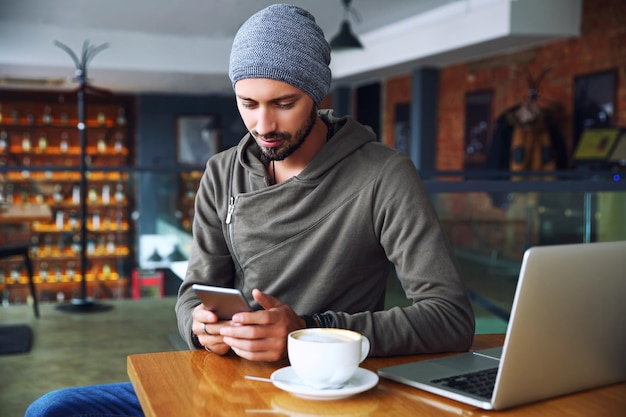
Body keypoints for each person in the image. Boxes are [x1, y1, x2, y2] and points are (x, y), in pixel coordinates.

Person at [25, 4, 474, 416]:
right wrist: (199, 325)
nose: (264, 126)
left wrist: (309, 330)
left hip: (325, 387)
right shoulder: (222, 172)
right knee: (54, 408)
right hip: (225, 381)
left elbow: (450, 317)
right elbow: (192, 292)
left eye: (283, 104)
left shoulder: (384, 174)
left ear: (316, 95)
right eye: (248, 104)